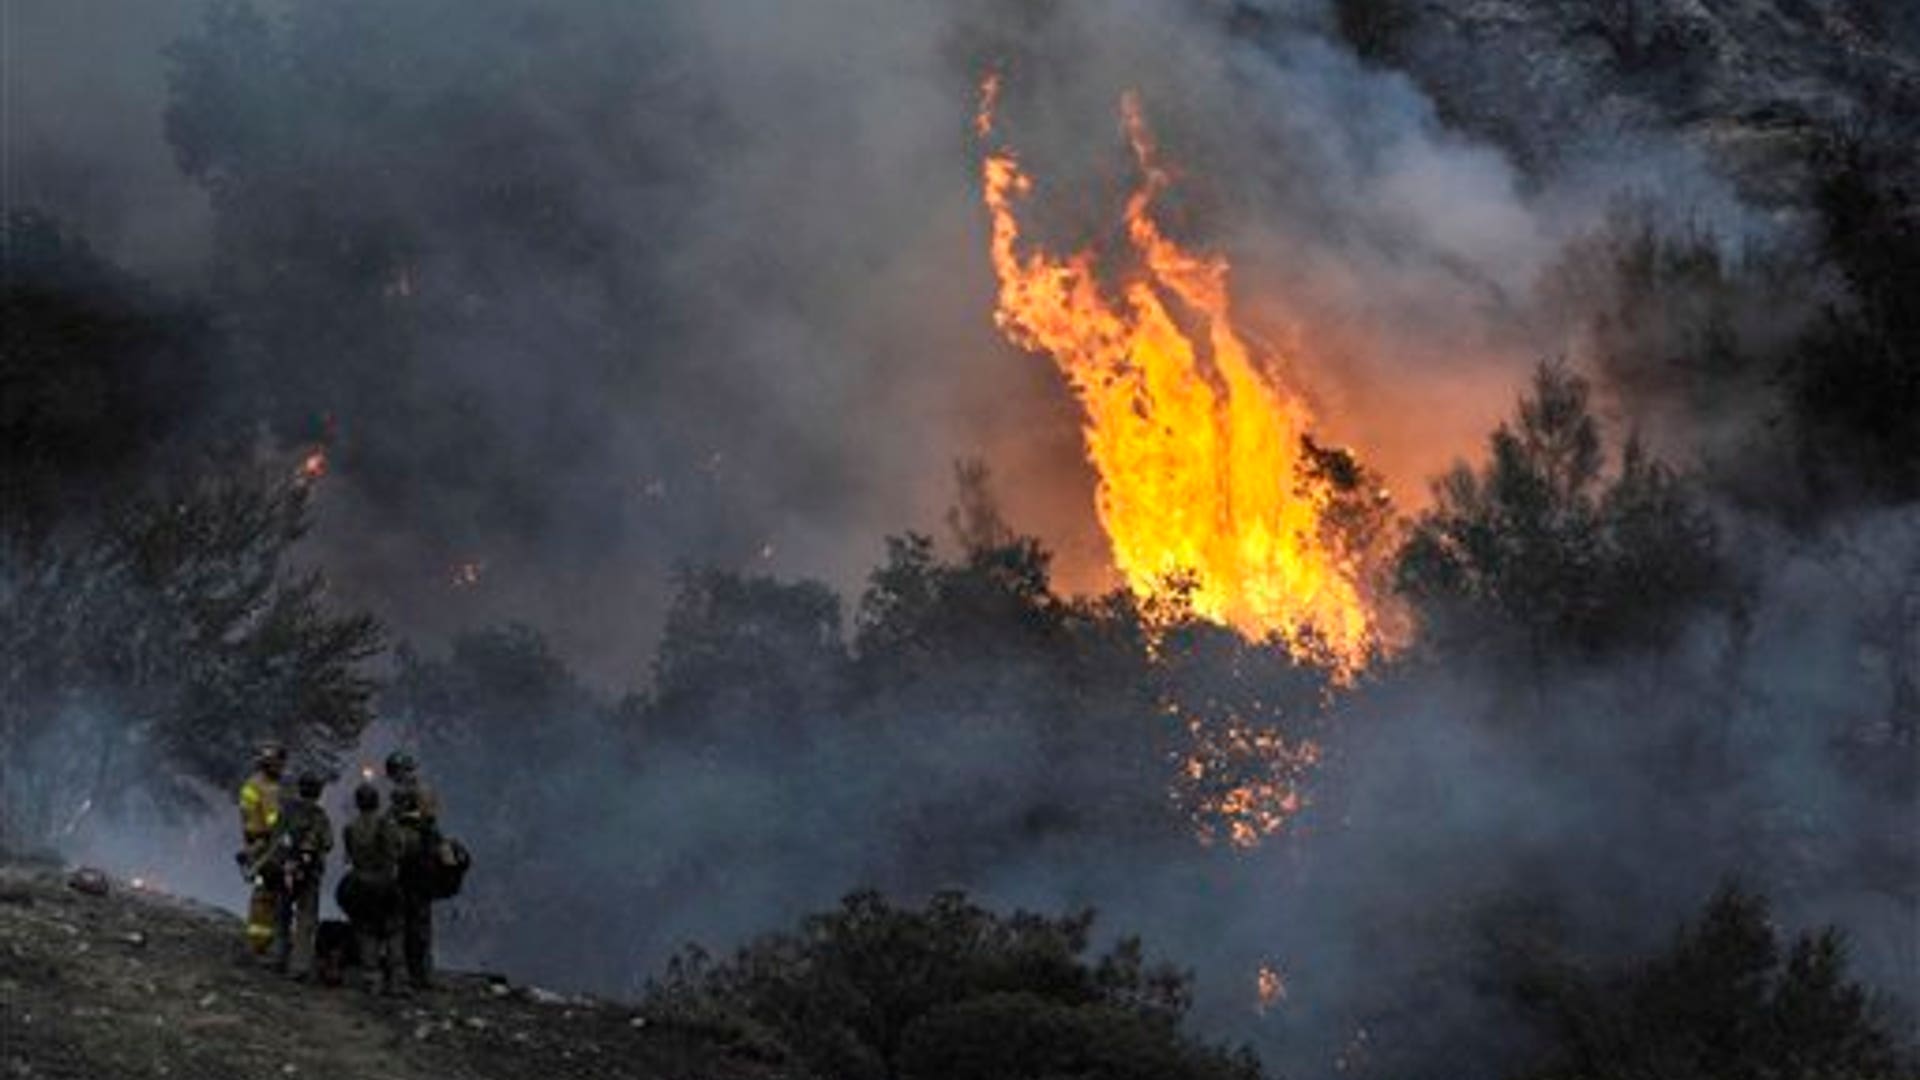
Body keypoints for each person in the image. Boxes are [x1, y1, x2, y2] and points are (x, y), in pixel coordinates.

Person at [340, 782, 404, 994]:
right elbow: (396, 850)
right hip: (385, 883)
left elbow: (349, 856)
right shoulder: (386, 824)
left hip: (360, 884)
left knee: (366, 931)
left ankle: (371, 980)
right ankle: (395, 982)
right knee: (393, 930)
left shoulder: (349, 828)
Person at [271, 770, 333, 980]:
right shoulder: (320, 816)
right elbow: (328, 843)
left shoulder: (286, 810)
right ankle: (299, 966)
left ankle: (277, 956)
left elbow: (276, 838)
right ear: (318, 792)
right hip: (309, 874)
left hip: (285, 870)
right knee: (305, 919)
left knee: (281, 914)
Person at [236, 741, 287, 959]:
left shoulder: (251, 784)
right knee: (271, 893)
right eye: (280, 763)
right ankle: (263, 943)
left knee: (261, 893)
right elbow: (274, 821)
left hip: (253, 842)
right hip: (267, 844)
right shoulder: (268, 788)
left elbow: (246, 815)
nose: (283, 768)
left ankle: (256, 940)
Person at [389, 784, 438, 990]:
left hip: (402, 884)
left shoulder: (396, 828)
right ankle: (422, 974)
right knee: (421, 932)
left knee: (398, 930)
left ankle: (401, 976)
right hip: (422, 886)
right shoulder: (428, 828)